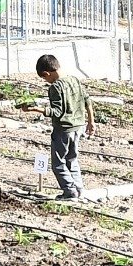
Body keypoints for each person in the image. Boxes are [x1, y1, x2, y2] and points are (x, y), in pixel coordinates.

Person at [35, 53, 96, 201]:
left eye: (44, 78)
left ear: (47, 73)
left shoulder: (55, 87)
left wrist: (35, 109)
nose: (46, 81)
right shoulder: (74, 79)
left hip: (63, 129)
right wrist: (91, 121)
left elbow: (57, 112)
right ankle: (79, 188)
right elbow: (87, 100)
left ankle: (69, 191)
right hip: (78, 127)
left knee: (58, 162)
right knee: (72, 159)